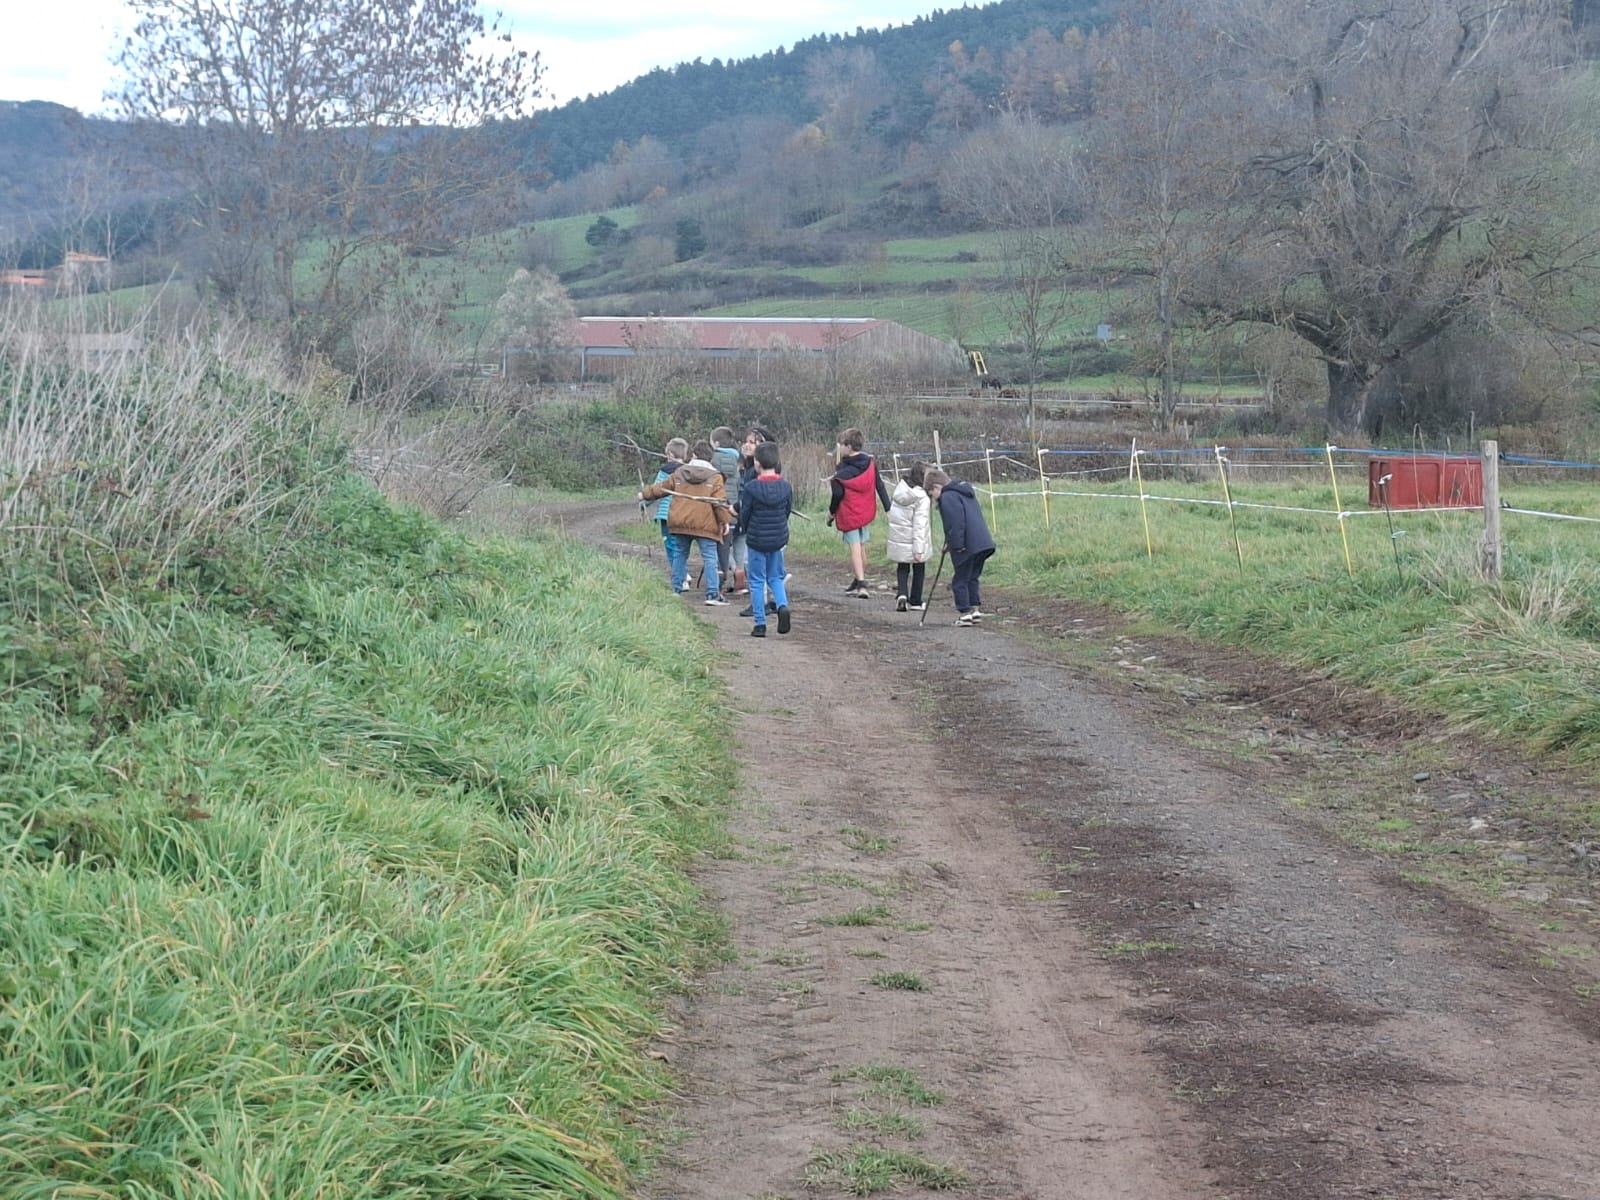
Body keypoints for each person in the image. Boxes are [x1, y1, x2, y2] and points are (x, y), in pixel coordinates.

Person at [640, 439, 732, 605]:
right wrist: (724, 521)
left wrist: (644, 495)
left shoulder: (680, 472)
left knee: (680, 554)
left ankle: (676, 589)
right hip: (705, 524)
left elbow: (662, 488)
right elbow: (719, 503)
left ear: (694, 455)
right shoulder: (715, 477)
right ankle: (712, 595)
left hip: (681, 521)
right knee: (710, 558)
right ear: (711, 458)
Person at [924, 466, 995, 627]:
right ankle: (975, 610)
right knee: (972, 577)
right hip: (983, 543)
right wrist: (948, 543)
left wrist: (956, 545)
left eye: (931, 493)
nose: (933, 498)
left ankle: (964, 613)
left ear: (936, 487)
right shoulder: (964, 493)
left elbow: (956, 524)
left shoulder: (947, 497)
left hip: (966, 545)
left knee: (959, 580)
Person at [735, 440, 793, 637]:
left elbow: (745, 513)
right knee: (776, 577)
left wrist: (746, 528)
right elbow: (787, 511)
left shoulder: (752, 488)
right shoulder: (785, 487)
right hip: (778, 538)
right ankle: (782, 605)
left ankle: (760, 624)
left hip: (757, 539)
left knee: (757, 581)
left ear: (757, 463)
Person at [827, 426, 890, 598]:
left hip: (849, 513)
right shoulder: (870, 462)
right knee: (862, 546)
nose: (839, 448)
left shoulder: (842, 470)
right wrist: (888, 508)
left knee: (854, 547)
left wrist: (831, 513)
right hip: (865, 511)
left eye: (841, 445)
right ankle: (858, 577)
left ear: (848, 447)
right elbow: (879, 485)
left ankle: (862, 584)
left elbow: (837, 494)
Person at [737, 426, 781, 620]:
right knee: (770, 570)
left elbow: (748, 502)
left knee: (757, 568)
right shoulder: (747, 469)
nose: (746, 445)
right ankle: (774, 602)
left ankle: (761, 607)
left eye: (752, 442)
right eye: (746, 441)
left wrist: (740, 516)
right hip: (774, 529)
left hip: (759, 529)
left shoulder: (757, 475)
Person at [886, 461, 933, 612]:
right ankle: (916, 600)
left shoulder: (901, 489)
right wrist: (919, 549)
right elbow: (920, 524)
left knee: (902, 566)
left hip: (900, 537)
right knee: (919, 567)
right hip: (915, 538)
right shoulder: (922, 497)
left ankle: (902, 594)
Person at [648, 437, 689, 591]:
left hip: (667, 516)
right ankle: (683, 572)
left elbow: (656, 490)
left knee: (671, 547)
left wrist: (644, 502)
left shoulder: (665, 471)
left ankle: (680, 577)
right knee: (681, 547)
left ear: (670, 454)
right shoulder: (689, 471)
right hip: (685, 515)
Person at [710, 427, 745, 595]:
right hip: (733, 512)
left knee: (716, 549)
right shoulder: (737, 461)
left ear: (716, 443)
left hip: (716, 512)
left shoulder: (713, 460)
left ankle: (718, 583)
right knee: (732, 546)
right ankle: (739, 571)